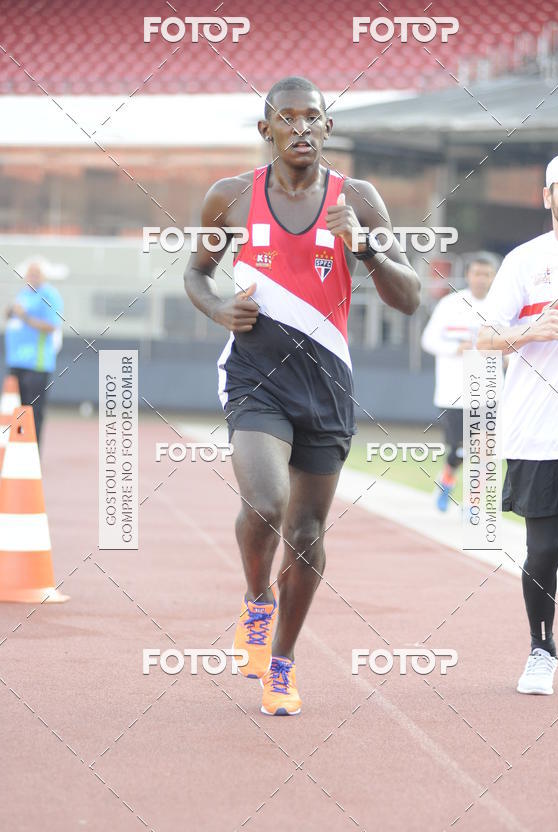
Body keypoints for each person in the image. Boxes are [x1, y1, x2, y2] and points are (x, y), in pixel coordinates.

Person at [184, 76, 420, 715]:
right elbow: (197, 272)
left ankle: (282, 661)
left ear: (328, 127)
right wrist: (215, 307)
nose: (301, 128)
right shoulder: (230, 198)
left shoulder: (358, 200)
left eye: (312, 117)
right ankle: (257, 601)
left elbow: (409, 297)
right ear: (266, 131)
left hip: (328, 383)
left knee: (309, 530)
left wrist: (365, 247)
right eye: (286, 118)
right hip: (256, 374)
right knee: (265, 503)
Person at [477, 150, 558, 695]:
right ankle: (541, 651)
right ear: (547, 197)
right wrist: (528, 331)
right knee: (541, 551)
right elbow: (484, 337)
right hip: (536, 430)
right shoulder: (524, 262)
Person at [421, 255, 497, 511]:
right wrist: (457, 347)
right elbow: (428, 340)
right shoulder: (450, 304)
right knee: (459, 450)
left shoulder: (502, 306)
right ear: (468, 275)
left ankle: (473, 503)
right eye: (477, 273)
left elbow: (514, 344)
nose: (481, 279)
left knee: (483, 449)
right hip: (453, 391)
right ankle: (447, 479)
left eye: (486, 274)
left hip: (489, 391)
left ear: (493, 277)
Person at [4, 260, 64, 446]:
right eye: (30, 273)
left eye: (36, 273)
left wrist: (25, 317)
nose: (32, 276)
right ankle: (18, 447)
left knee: (33, 411)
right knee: (17, 409)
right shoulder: (23, 294)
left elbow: (51, 325)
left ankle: (33, 452)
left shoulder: (49, 295)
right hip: (16, 362)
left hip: (36, 364)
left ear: (44, 276)